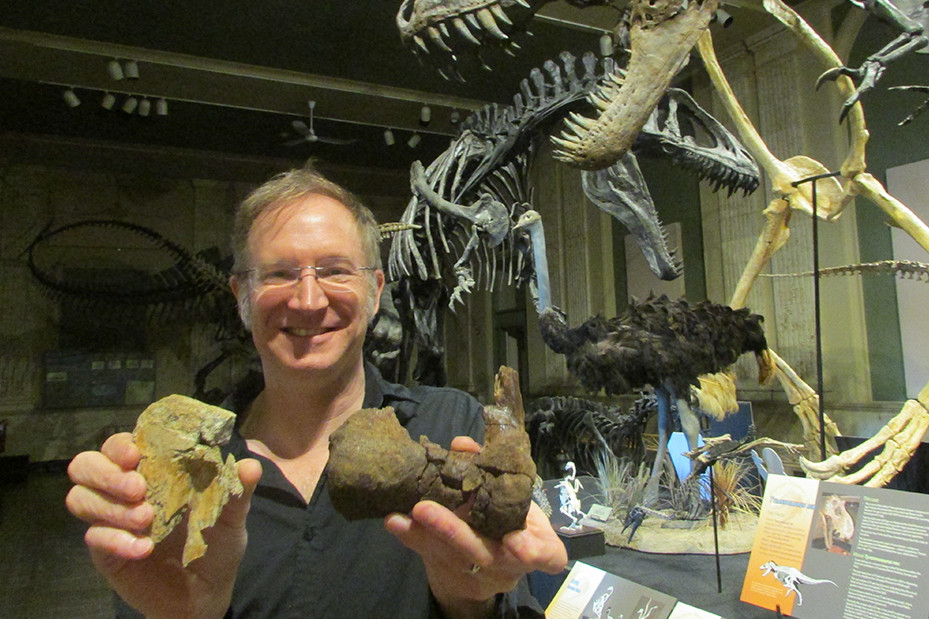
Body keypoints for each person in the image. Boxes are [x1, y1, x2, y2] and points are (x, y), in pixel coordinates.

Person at [65, 163, 568, 618]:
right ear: (242, 296)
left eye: (334, 271)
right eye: (280, 274)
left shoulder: (454, 426)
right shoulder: (187, 473)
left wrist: (466, 600)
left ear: (375, 292)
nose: (308, 301)